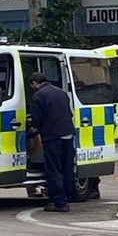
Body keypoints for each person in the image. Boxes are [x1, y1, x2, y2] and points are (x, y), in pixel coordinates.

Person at [27, 72, 77, 212]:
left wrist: (32, 131)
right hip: (67, 135)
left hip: (52, 137)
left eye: (32, 85)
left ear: (34, 83)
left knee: (54, 170)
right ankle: (66, 198)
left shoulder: (38, 96)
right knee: (66, 168)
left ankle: (59, 202)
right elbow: (69, 113)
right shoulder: (61, 93)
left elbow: (36, 120)